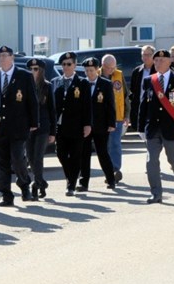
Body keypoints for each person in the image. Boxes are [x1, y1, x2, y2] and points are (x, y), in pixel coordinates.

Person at [138, 49, 174, 204]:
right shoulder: (149, 80)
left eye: (162, 60)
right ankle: (156, 193)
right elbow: (143, 105)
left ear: (170, 62)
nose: (158, 63)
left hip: (172, 128)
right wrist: (140, 127)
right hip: (153, 128)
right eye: (155, 60)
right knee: (151, 161)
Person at [0, 46, 37, 206]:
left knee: (18, 158)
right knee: (1, 162)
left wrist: (34, 122)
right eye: (0, 56)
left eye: (6, 55)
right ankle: (6, 195)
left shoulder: (24, 76)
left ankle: (25, 187)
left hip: (19, 126)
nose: (3, 58)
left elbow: (32, 100)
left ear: (12, 58)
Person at [52, 52, 92, 196]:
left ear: (75, 65)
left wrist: (87, 124)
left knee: (75, 156)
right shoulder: (56, 81)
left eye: (69, 64)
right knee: (61, 153)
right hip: (60, 125)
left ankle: (71, 185)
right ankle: (71, 177)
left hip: (77, 125)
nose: (66, 67)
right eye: (63, 64)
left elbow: (87, 105)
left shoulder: (83, 83)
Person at [79, 57, 117, 191]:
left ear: (97, 70)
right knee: (84, 153)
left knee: (102, 152)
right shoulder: (81, 84)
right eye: (87, 70)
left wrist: (111, 123)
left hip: (101, 125)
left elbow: (111, 105)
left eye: (91, 70)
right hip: (85, 125)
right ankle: (84, 182)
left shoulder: (105, 84)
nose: (89, 73)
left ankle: (111, 179)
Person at [25, 57, 56, 200]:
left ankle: (36, 186)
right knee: (30, 157)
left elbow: (52, 111)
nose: (33, 72)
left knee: (38, 157)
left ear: (41, 70)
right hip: (28, 128)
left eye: (36, 69)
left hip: (43, 127)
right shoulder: (25, 86)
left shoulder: (47, 86)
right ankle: (41, 182)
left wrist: (53, 132)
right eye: (30, 69)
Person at [100, 54, 129, 184]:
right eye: (108, 68)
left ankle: (115, 170)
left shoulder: (118, 75)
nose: (112, 70)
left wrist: (127, 115)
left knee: (115, 143)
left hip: (117, 117)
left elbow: (125, 95)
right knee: (103, 146)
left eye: (113, 67)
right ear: (102, 66)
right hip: (101, 118)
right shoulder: (96, 75)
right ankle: (108, 171)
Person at [128, 45, 156, 142]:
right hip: (140, 107)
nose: (146, 57)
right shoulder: (137, 71)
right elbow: (132, 91)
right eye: (144, 54)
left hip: (154, 108)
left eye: (148, 54)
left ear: (154, 56)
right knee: (144, 135)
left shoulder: (158, 70)